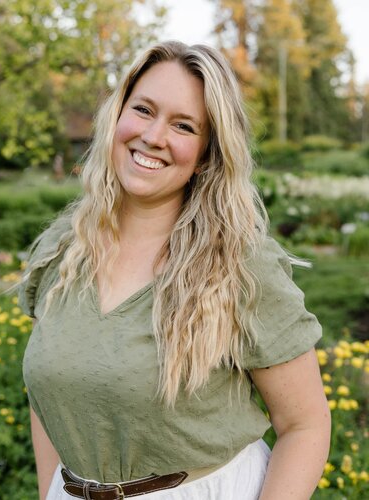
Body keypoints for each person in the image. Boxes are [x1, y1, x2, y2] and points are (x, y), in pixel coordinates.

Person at [18, 40, 331, 500]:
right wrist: (50, 491)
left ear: (206, 153)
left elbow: (304, 423)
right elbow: (51, 396)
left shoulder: (239, 265)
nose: (154, 136)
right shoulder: (62, 251)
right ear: (117, 115)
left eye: (183, 125)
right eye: (143, 110)